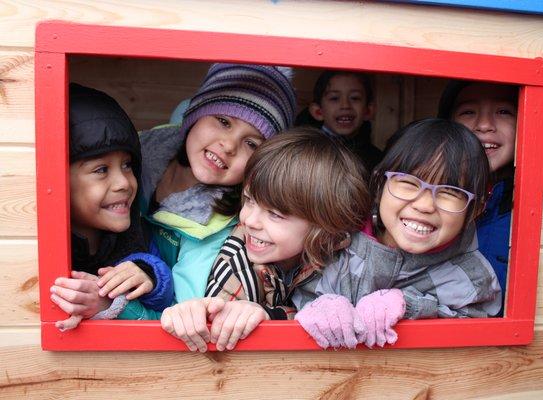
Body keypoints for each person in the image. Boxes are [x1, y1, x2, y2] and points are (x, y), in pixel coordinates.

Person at [104, 63, 297, 320]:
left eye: (251, 143)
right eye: (223, 121)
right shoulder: (139, 150)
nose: (228, 145)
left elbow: (180, 315)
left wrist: (108, 305)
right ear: (194, 115)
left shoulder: (214, 229)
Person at [294, 118, 502, 349]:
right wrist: (319, 305)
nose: (424, 205)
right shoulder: (336, 240)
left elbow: (478, 343)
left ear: (476, 208)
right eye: (409, 183)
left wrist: (411, 307)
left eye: (449, 191)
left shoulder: (473, 277)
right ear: (379, 184)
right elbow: (292, 293)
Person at [159, 128, 372, 352]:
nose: (250, 220)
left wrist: (275, 316)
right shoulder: (237, 262)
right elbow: (219, 342)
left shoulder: (352, 258)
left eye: (275, 214)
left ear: (324, 226)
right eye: (249, 200)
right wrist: (266, 318)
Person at [49, 83, 174, 330]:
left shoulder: (138, 236)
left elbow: (166, 302)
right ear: (59, 180)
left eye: (127, 165)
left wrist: (148, 276)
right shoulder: (39, 248)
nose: (124, 183)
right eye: (101, 170)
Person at [438, 81, 518, 315]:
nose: (484, 125)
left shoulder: (535, 208)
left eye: (503, 111)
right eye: (468, 112)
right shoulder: (423, 203)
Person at [297, 70, 382, 171]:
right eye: (334, 98)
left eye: (355, 98)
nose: (345, 105)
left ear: (368, 111)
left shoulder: (377, 161)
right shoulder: (302, 153)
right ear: (318, 112)